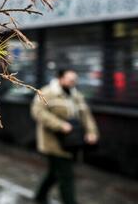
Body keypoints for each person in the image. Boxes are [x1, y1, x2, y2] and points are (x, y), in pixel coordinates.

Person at [31, 69, 99, 204]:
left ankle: (40, 196)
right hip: (53, 141)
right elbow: (37, 112)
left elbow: (86, 115)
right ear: (60, 78)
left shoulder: (76, 95)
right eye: (70, 79)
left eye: (75, 79)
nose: (73, 82)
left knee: (54, 173)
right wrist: (59, 125)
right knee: (66, 175)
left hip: (72, 141)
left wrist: (92, 132)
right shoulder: (47, 93)